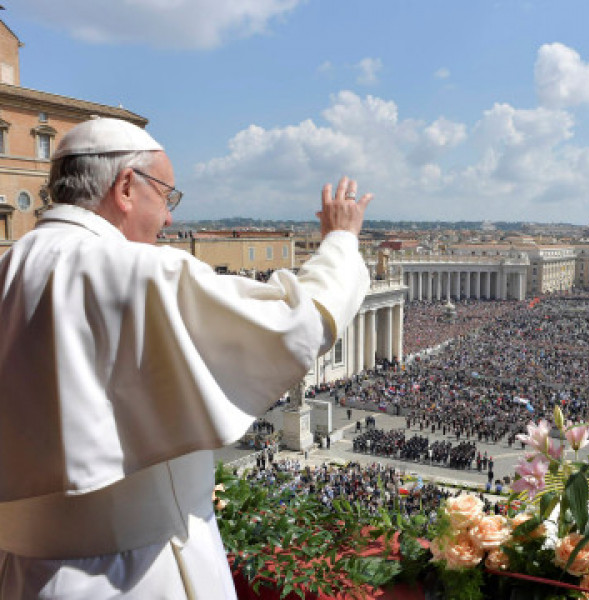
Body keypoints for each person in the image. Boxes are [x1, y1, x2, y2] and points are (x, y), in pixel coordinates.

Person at [0, 118, 372, 599]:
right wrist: (341, 242)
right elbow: (295, 324)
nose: (170, 219)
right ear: (127, 187)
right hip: (134, 576)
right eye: (166, 196)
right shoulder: (140, 271)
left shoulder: (8, 268)